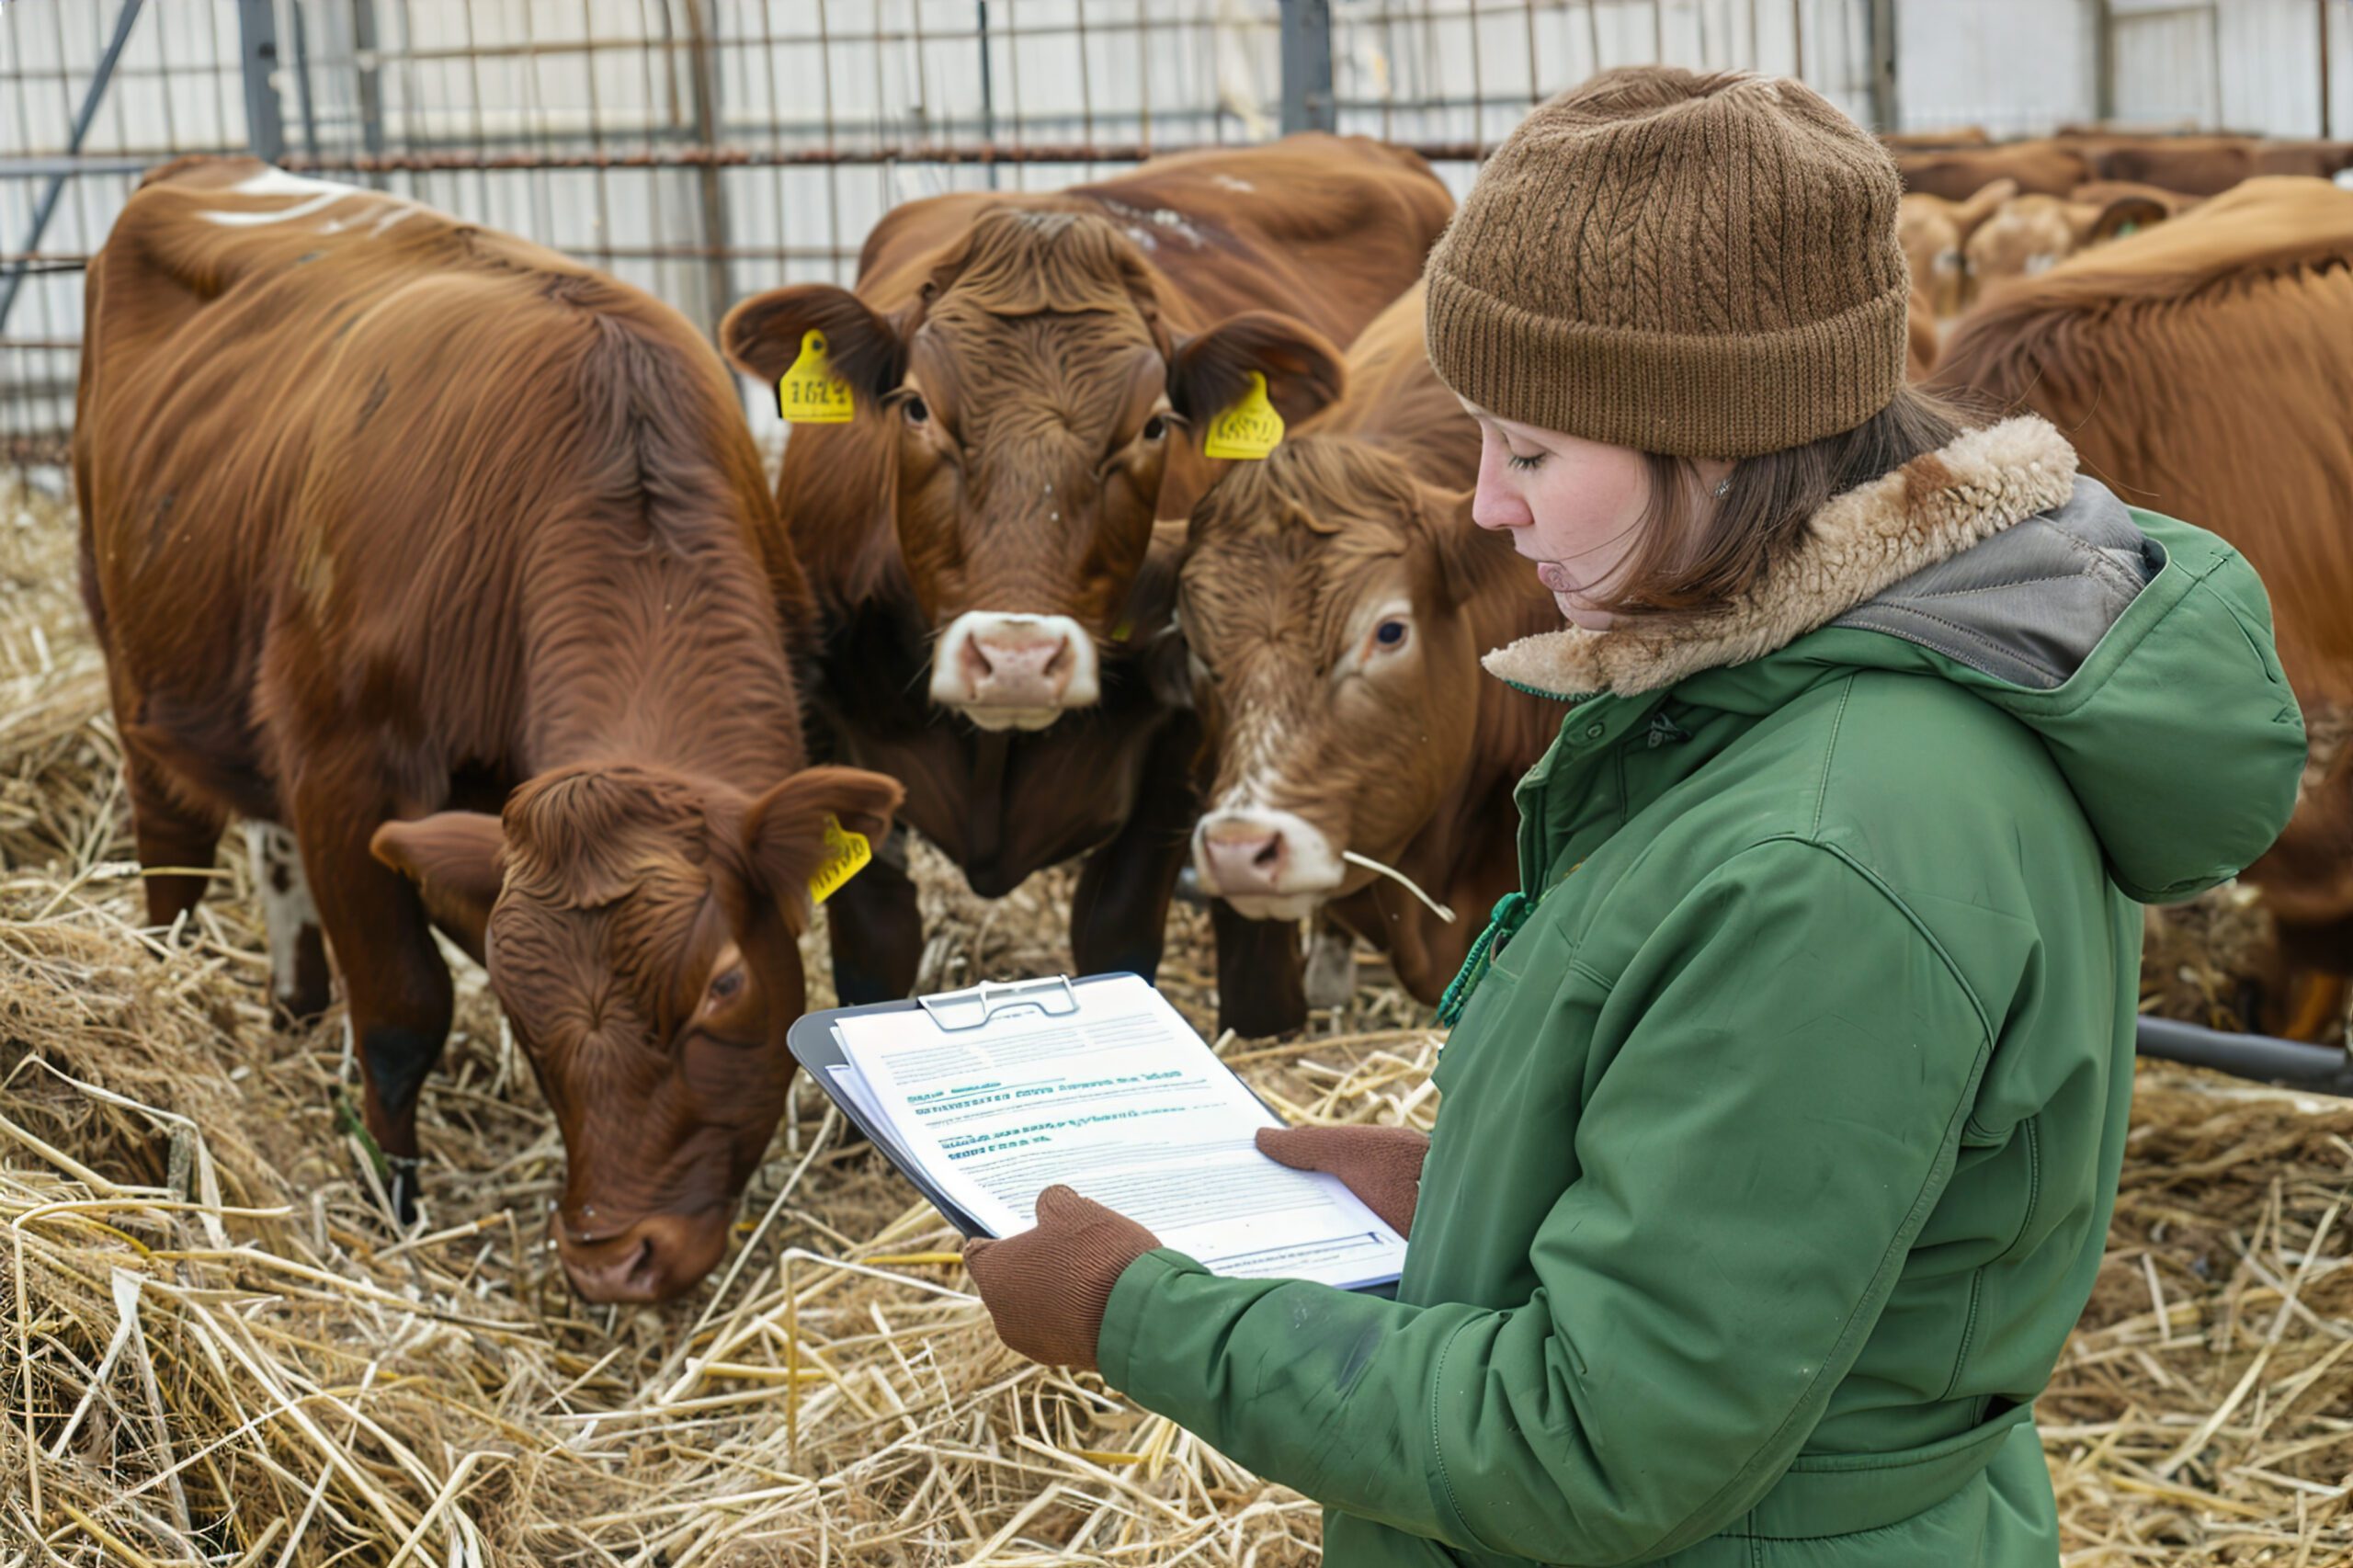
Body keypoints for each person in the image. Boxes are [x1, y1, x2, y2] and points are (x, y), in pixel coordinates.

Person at [961, 67, 2305, 1566]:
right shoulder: (1784, 707)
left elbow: (1594, 1447)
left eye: (1529, 450)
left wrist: (1136, 1311)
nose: (1485, 507)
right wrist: (1478, 1195)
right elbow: (1790, 1228)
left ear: (1718, 443)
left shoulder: (1830, 853)